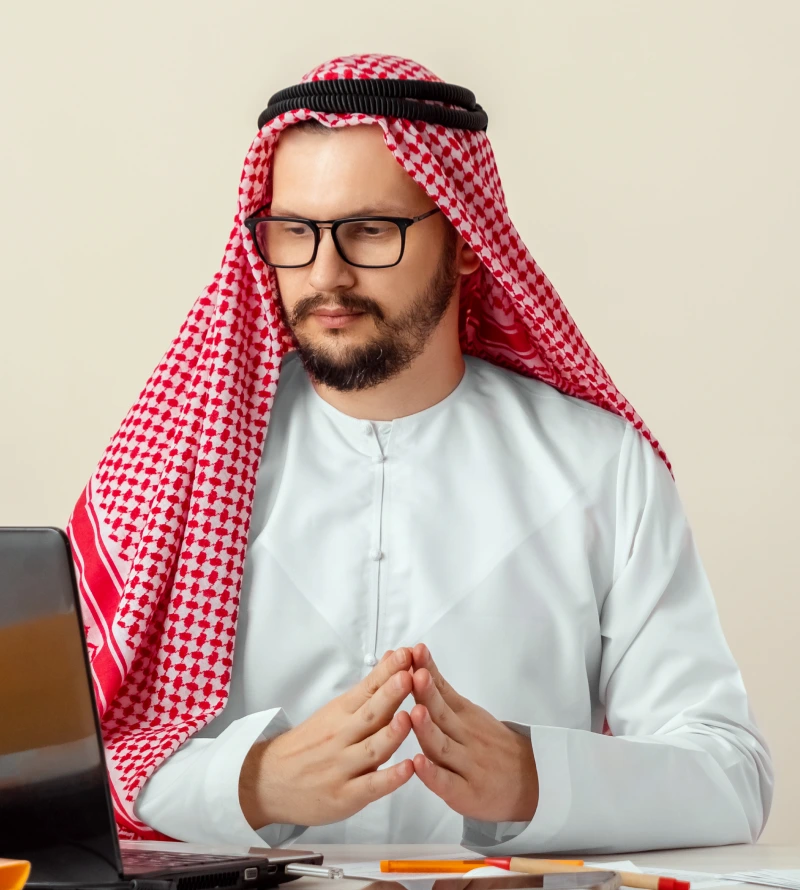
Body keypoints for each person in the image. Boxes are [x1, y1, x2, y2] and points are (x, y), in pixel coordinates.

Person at [68, 53, 773, 853]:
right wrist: (253, 782)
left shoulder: (599, 468)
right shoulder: (181, 462)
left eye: (370, 230)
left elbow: (731, 776)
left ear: (467, 239)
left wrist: (536, 779)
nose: (325, 274)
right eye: (295, 232)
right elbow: (56, 764)